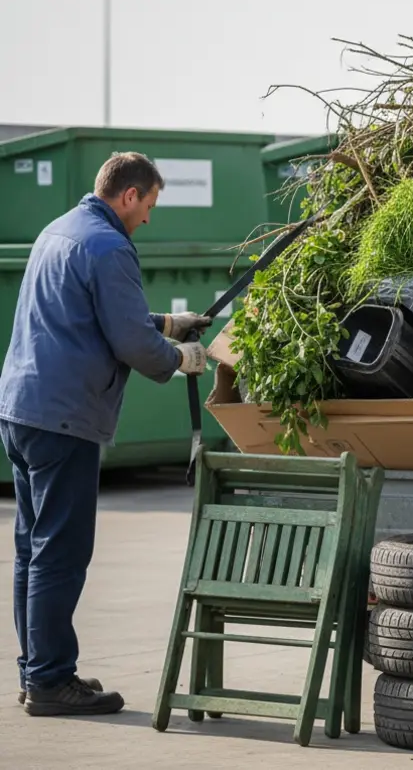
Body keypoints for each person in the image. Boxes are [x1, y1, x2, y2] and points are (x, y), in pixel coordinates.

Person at [0, 153, 212, 716]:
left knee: (33, 549)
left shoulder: (60, 231)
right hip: (64, 417)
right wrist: (179, 356)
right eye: (149, 206)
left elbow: (91, 314)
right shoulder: (111, 245)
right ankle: (50, 683)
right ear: (129, 196)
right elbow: (130, 344)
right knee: (60, 554)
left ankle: (39, 671)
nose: (148, 219)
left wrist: (168, 322)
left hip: (21, 409)